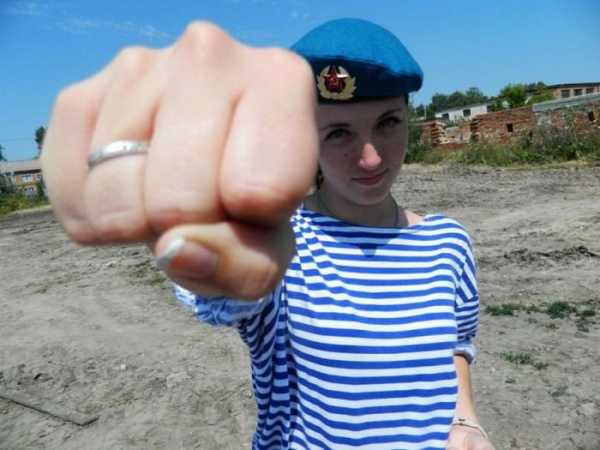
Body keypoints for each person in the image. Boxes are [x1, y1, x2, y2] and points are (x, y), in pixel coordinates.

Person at [42, 16, 495, 450]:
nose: (371, 157)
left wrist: (466, 421)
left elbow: (456, 346)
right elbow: (230, 286)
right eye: (338, 133)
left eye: (388, 122)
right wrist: (189, 226)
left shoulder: (448, 243)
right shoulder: (285, 243)